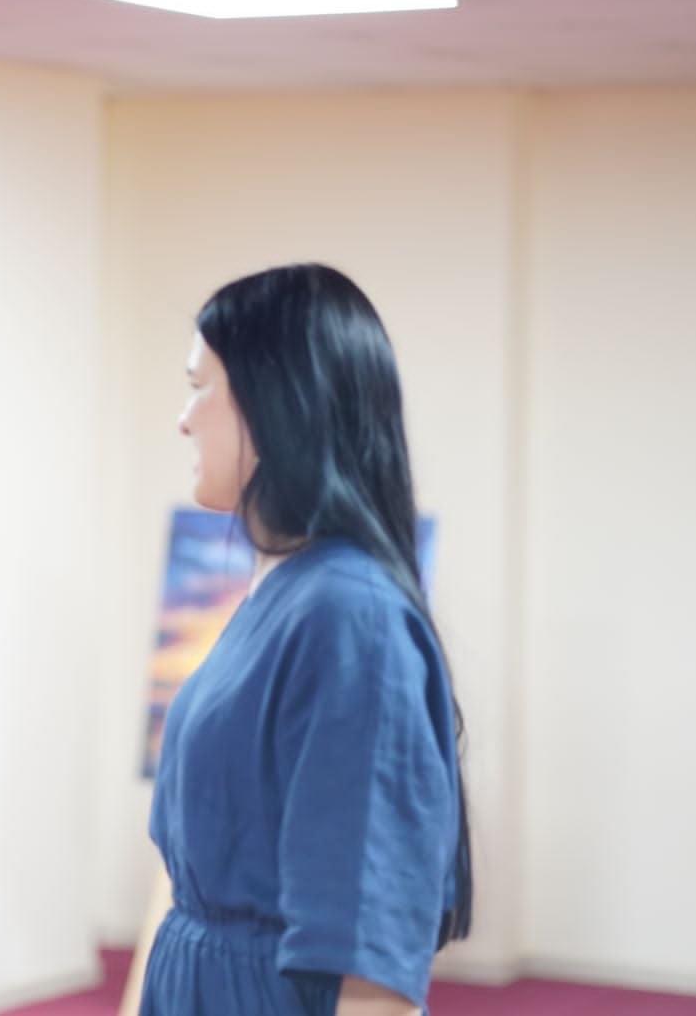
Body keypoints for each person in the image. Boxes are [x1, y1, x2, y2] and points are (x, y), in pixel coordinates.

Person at [142, 263, 473, 1016]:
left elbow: (370, 955)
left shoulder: (352, 615)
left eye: (199, 387)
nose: (184, 419)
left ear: (274, 401)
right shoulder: (290, 590)